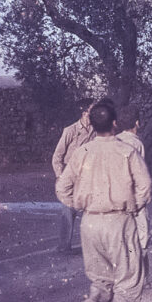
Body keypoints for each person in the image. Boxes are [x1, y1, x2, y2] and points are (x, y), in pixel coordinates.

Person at [55, 103, 152, 302]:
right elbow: (145, 186)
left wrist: (80, 205)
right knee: (129, 286)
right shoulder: (126, 151)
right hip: (118, 221)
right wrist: (133, 206)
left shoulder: (82, 152)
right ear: (115, 123)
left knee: (101, 281)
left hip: (89, 224)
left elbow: (62, 187)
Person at [52, 98, 95, 253]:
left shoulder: (96, 131)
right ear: (84, 113)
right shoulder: (70, 131)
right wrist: (60, 176)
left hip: (88, 177)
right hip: (70, 177)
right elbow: (57, 156)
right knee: (68, 212)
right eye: (92, 111)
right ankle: (64, 247)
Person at [116, 105, 151, 276]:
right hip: (135, 198)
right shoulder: (137, 144)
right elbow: (140, 173)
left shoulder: (114, 141)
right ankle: (142, 276)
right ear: (137, 123)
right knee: (143, 237)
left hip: (117, 197)